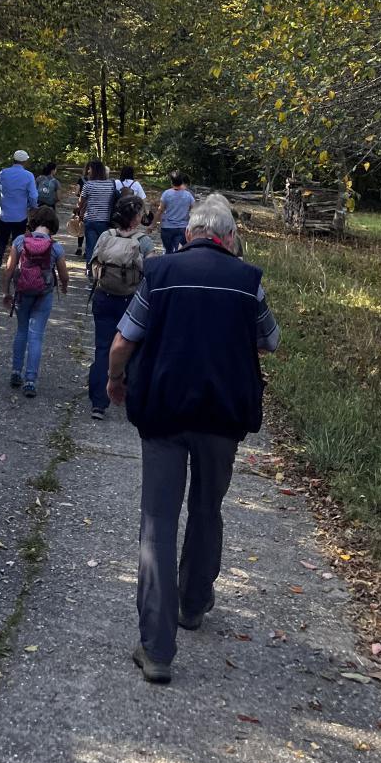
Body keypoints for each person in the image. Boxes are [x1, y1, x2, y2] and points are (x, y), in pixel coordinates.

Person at [106, 193, 280, 684]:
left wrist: (115, 380)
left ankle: (157, 649)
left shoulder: (160, 274)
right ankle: (194, 601)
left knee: (157, 519)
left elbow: (123, 341)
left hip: (163, 410)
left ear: (188, 234)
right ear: (229, 237)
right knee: (207, 508)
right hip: (223, 415)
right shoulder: (249, 282)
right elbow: (270, 340)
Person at [86, 194, 153, 419]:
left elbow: (92, 265)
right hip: (131, 302)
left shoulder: (106, 235)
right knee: (131, 349)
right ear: (136, 217)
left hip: (103, 296)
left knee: (103, 348)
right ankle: (127, 396)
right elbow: (152, 274)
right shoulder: (143, 241)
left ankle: (98, 402)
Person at [3, 205, 70, 397]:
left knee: (22, 330)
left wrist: (6, 292)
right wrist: (64, 287)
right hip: (44, 295)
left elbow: (9, 269)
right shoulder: (55, 247)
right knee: (36, 335)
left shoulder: (19, 241)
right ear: (53, 225)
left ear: (33, 222)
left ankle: (16, 372)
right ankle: (30, 381)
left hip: (22, 293)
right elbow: (64, 275)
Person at [0, 150, 38, 279]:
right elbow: (33, 195)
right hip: (20, 215)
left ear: (14, 160)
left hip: (4, 214)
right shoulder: (28, 176)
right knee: (18, 242)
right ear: (25, 161)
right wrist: (33, 207)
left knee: (1, 239)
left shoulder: (3, 173)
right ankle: (15, 266)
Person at [75, 159, 117, 273]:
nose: (88, 171)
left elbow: (80, 203)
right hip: (106, 221)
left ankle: (90, 270)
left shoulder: (88, 185)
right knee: (104, 247)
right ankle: (103, 269)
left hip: (91, 220)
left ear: (94, 171)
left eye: (90, 169)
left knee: (91, 246)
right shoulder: (112, 184)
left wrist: (78, 212)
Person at [157, 172, 195, 253]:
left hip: (167, 228)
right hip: (182, 228)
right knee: (179, 251)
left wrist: (152, 225)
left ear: (171, 182)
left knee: (168, 251)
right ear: (182, 182)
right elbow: (193, 209)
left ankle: (167, 263)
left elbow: (160, 210)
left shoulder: (166, 193)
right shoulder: (188, 195)